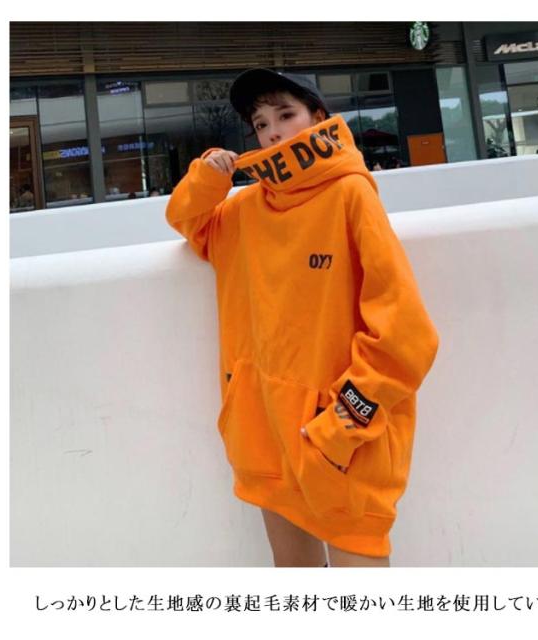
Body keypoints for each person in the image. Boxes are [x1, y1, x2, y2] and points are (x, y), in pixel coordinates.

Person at [165, 68, 439, 568]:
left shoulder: (350, 194)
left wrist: (339, 427)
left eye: (286, 115)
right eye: (261, 123)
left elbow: (406, 335)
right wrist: (209, 174)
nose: (273, 132)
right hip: (265, 439)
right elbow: (190, 221)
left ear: (317, 117)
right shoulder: (246, 209)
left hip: (341, 446)